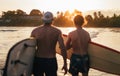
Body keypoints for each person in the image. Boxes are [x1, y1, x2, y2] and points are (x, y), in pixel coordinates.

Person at [31, 11, 67, 76]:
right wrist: (65, 63)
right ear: (52, 20)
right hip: (51, 60)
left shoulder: (35, 31)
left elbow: (30, 48)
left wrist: (29, 65)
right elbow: (62, 48)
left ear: (43, 19)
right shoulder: (57, 31)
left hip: (38, 60)